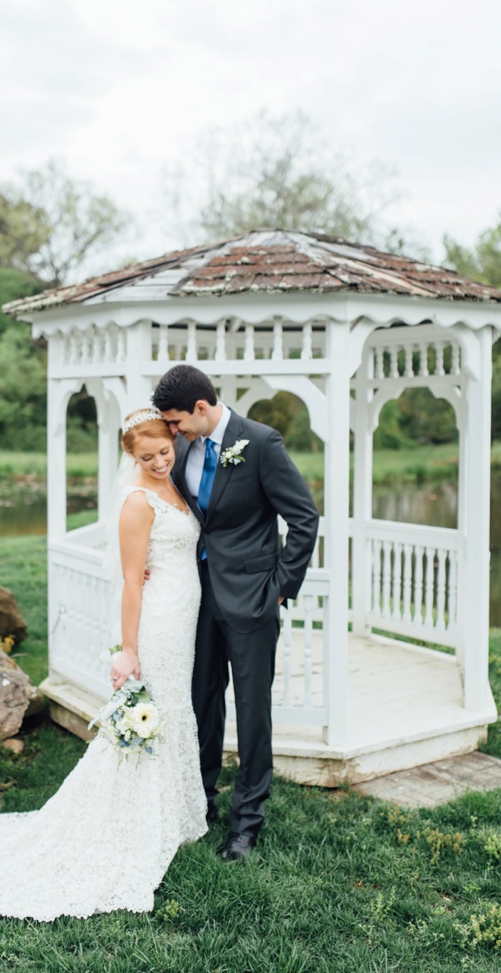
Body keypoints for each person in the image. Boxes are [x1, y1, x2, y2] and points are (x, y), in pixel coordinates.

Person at [0, 409, 208, 919]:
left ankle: (171, 816)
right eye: (147, 457)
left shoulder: (175, 483)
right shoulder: (137, 503)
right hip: (157, 626)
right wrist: (129, 649)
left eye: (164, 452)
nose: (159, 462)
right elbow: (133, 582)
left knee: (174, 709)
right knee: (153, 715)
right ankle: (133, 823)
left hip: (183, 619)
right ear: (129, 458)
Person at [151, 364, 319, 863]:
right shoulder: (181, 446)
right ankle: (200, 798)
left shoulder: (260, 443)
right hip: (196, 598)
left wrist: (281, 588)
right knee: (202, 699)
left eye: (177, 422)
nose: (172, 433)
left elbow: (304, 517)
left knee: (251, 710)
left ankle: (247, 821)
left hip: (253, 599)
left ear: (201, 409)